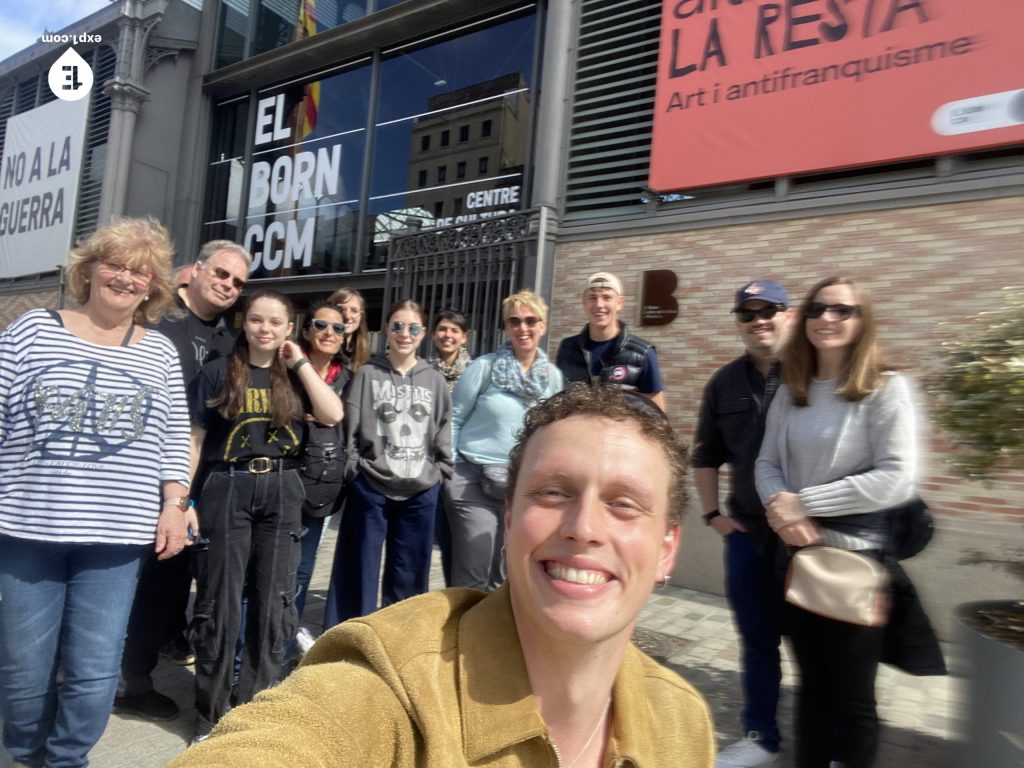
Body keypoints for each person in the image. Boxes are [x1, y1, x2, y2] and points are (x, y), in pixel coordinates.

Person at [166, 383, 715, 767]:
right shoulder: (394, 685)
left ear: (668, 548)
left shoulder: (683, 722)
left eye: (623, 504)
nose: (584, 527)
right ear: (509, 515)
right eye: (553, 492)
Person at [0, 217, 193, 767]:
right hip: (28, 529)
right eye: (116, 264)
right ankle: (26, 757)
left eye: (141, 272)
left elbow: (173, 436)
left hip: (115, 536)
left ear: (153, 288)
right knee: (24, 664)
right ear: (88, 269)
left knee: (93, 667)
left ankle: (68, 760)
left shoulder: (158, 353)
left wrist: (174, 505)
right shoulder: (32, 330)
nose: (127, 279)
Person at [755, 276, 919, 768]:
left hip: (855, 565)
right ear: (803, 319)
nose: (828, 319)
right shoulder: (792, 389)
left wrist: (805, 504)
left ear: (861, 320)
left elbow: (897, 478)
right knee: (811, 692)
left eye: (843, 310)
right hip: (799, 558)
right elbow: (765, 464)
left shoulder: (886, 389)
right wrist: (783, 517)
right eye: (818, 309)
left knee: (853, 701)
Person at [188, 289, 343, 743]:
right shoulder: (218, 372)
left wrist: (299, 364)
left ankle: (257, 706)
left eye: (276, 322)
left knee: (275, 601)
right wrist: (182, 503)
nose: (265, 329)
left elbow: (332, 413)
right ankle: (211, 714)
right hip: (227, 486)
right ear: (244, 323)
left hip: (282, 486)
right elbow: (195, 442)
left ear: (288, 329)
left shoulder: (295, 377)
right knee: (219, 602)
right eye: (257, 320)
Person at [115, 239, 251, 722]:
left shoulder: (231, 339)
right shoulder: (156, 321)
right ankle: (131, 683)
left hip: (203, 485)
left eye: (237, 282)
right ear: (195, 270)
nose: (229, 286)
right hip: (150, 480)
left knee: (171, 586)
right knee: (144, 586)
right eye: (221, 274)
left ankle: (140, 669)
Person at [693, 280, 793, 767]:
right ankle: (761, 735)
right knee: (757, 640)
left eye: (768, 310)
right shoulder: (724, 383)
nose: (759, 321)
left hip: (809, 540)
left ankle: (836, 742)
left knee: (821, 644)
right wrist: (713, 516)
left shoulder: (815, 374)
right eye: (748, 314)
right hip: (748, 535)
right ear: (739, 324)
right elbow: (706, 455)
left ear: (788, 315)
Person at [323, 299, 453, 628]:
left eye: (412, 328)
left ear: (423, 333)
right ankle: (349, 635)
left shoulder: (433, 380)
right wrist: (355, 472)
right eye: (397, 326)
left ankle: (399, 638)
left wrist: (440, 473)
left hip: (420, 489)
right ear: (388, 330)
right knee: (358, 568)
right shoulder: (368, 374)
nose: (404, 334)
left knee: (410, 572)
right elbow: (349, 429)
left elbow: (443, 428)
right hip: (371, 486)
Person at [446, 290, 564, 590]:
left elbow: (552, 432)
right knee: (475, 566)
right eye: (514, 321)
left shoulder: (551, 378)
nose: (522, 328)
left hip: (522, 483)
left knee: (508, 571)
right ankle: (463, 633)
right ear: (506, 327)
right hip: (472, 478)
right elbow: (454, 419)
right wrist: (452, 469)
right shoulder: (484, 368)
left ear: (542, 326)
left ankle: (497, 633)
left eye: (530, 320)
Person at [291, 301, 351, 655]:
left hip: (320, 484)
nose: (329, 333)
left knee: (301, 573)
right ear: (306, 330)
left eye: (338, 328)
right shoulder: (287, 368)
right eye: (321, 325)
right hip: (284, 479)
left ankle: (285, 643)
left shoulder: (348, 376)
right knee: (269, 572)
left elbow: (342, 422)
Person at [556, 271, 666, 410]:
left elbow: (656, 412)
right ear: (584, 301)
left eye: (607, 297)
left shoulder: (642, 353)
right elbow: (559, 401)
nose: (599, 304)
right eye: (592, 297)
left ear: (619, 303)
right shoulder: (568, 348)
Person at [427, 307, 472, 586]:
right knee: (439, 534)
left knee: (462, 537)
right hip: (428, 464)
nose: (448, 335)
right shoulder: (421, 369)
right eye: (443, 329)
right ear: (433, 334)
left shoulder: (475, 371)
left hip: (463, 465)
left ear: (464, 337)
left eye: (454, 330)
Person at [328, 286, 370, 370]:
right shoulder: (323, 350)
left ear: (361, 316)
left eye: (354, 311)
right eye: (341, 309)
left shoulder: (361, 352)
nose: (347, 316)